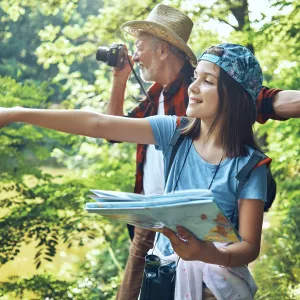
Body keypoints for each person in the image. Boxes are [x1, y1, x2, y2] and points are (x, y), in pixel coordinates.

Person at [0, 42, 279, 299]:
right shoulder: (175, 132)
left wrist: (208, 254)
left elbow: (250, 248)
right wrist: (17, 113)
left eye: (207, 81)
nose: (193, 87)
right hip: (163, 277)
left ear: (235, 97)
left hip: (215, 289)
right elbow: (98, 124)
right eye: (195, 76)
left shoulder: (250, 166)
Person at [106, 4, 300, 299]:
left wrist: (271, 100)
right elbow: (111, 129)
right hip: (151, 220)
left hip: (195, 225)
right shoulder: (155, 96)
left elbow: (260, 97)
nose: (134, 55)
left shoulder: (199, 89)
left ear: (162, 50)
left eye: (139, 47)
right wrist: (119, 79)